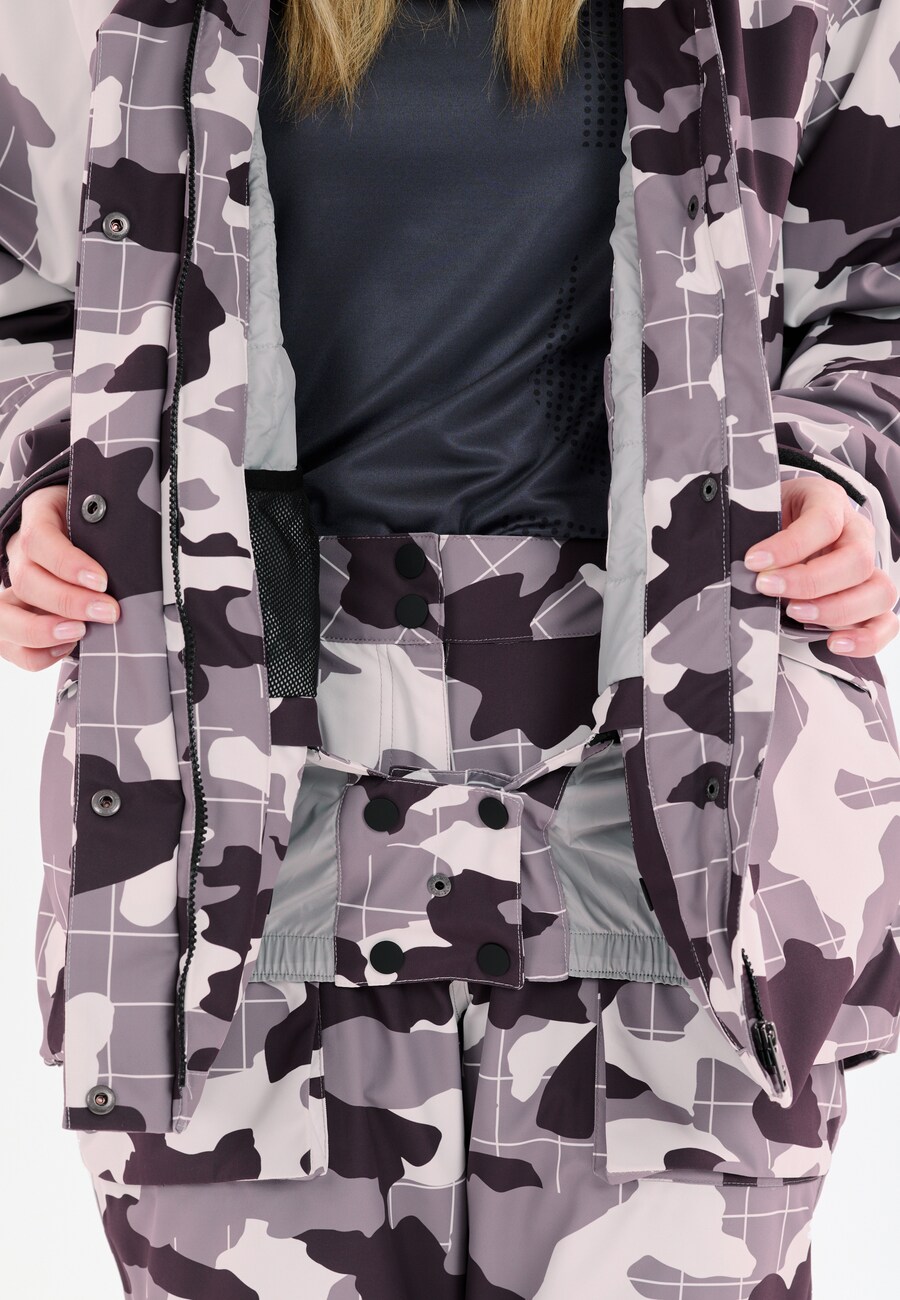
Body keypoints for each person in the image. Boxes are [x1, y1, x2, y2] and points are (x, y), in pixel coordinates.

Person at [1, 0, 899, 1295]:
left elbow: (878, 283)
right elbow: (24, 285)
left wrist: (833, 470)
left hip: (684, 831)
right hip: (229, 839)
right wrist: (47, 479)